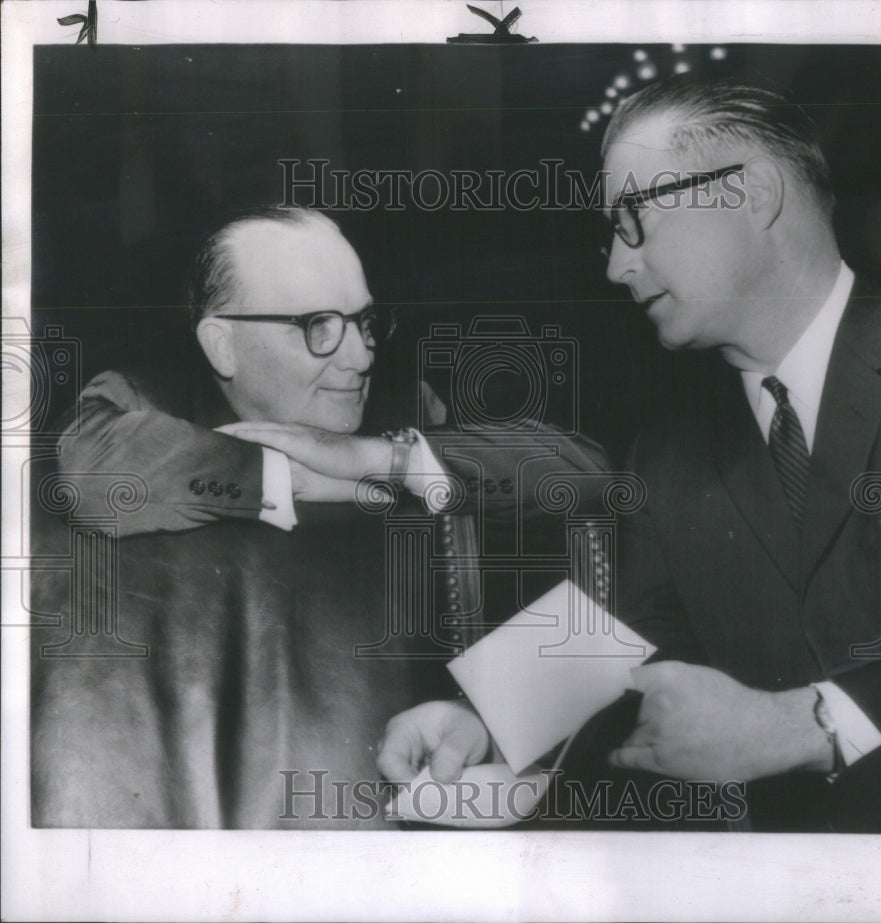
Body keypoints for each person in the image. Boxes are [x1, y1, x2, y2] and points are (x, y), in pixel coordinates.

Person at [377, 77, 881, 833]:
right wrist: (483, 717)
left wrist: (808, 722)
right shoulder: (670, 450)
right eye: (611, 232)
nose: (615, 266)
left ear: (753, 194)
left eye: (634, 218)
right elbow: (624, 623)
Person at [32, 206, 609, 828]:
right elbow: (93, 471)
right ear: (222, 345)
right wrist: (287, 477)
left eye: (364, 322)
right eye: (318, 327)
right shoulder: (142, 398)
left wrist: (379, 461)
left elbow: (586, 472)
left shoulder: (401, 407)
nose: (359, 357)